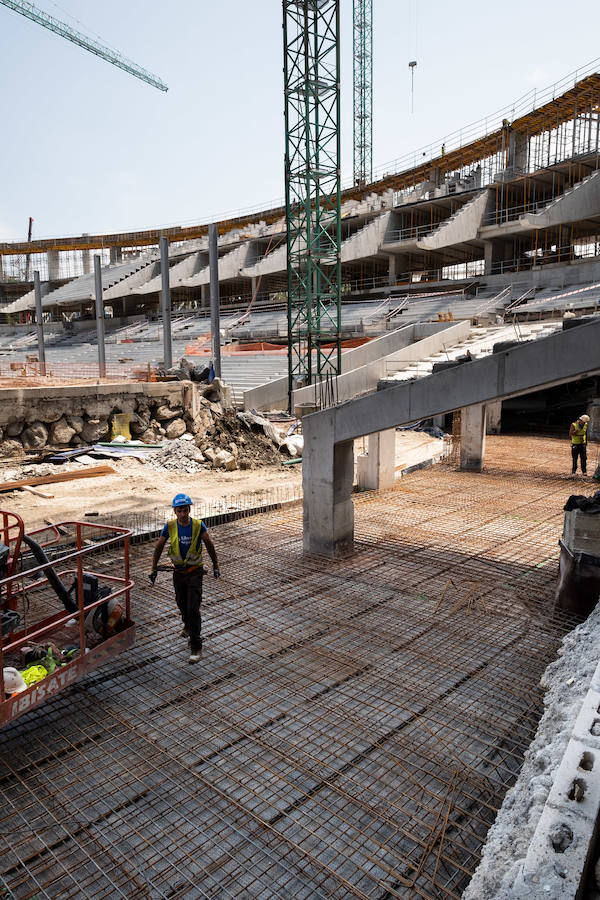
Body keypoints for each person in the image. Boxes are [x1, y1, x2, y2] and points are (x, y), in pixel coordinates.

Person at [150, 493, 220, 663]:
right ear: (175, 511)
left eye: (185, 510)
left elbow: (209, 544)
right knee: (181, 602)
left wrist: (216, 565)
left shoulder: (198, 526)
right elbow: (159, 546)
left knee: (193, 608)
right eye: (179, 510)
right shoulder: (170, 526)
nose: (183, 514)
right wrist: (153, 568)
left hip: (195, 572)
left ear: (189, 509)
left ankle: (196, 645)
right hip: (178, 573)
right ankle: (187, 625)